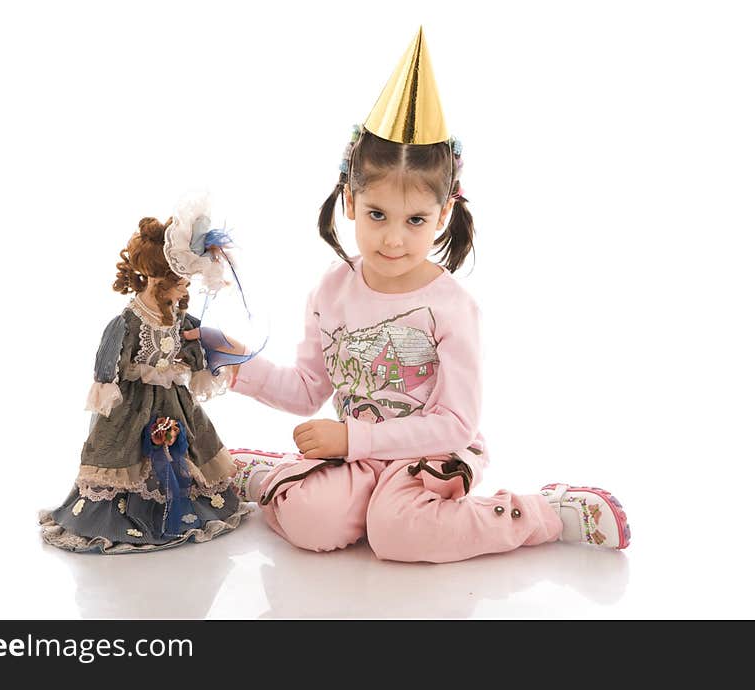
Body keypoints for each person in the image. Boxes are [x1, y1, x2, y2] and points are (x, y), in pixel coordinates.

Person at [228, 28, 630, 562]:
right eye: (377, 215)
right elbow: (306, 389)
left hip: (433, 449)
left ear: (443, 215)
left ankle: (548, 513)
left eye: (415, 220)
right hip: (362, 453)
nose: (393, 238)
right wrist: (231, 362)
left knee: (397, 532)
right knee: (310, 522)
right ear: (350, 200)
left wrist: (351, 441)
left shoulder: (451, 308)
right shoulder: (333, 287)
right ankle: (280, 477)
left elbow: (456, 423)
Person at [40, 206, 249, 554]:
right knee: (127, 455)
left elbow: (191, 350)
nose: (185, 289)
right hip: (135, 405)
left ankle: (185, 508)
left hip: (175, 402)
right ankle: (120, 515)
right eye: (181, 281)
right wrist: (114, 390)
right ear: (158, 278)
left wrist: (197, 360)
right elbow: (111, 366)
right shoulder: (128, 321)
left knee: (187, 450)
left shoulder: (180, 318)